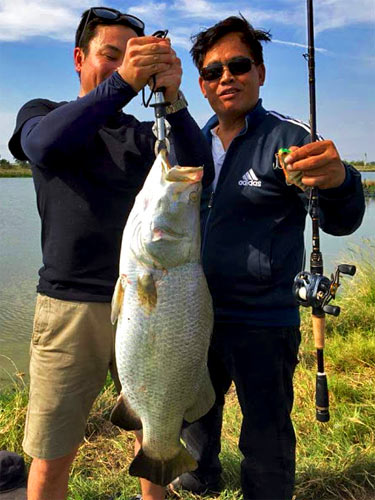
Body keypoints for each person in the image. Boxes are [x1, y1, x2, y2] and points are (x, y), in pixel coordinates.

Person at [8, 6, 213, 500]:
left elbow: (196, 169)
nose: (124, 65)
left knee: (154, 425)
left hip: (153, 307)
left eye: (132, 57)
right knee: (52, 452)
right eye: (110, 55)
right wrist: (123, 82)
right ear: (80, 58)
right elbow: (45, 146)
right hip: (69, 309)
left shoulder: (145, 135)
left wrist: (173, 97)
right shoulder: (42, 114)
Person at [168, 16, 365, 500]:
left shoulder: (289, 138)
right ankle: (200, 474)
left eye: (238, 65)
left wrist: (341, 180)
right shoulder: (190, 142)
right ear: (202, 85)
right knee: (197, 411)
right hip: (196, 311)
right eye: (213, 72)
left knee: (267, 427)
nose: (226, 78)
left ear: (260, 73)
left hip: (263, 317)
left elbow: (341, 220)